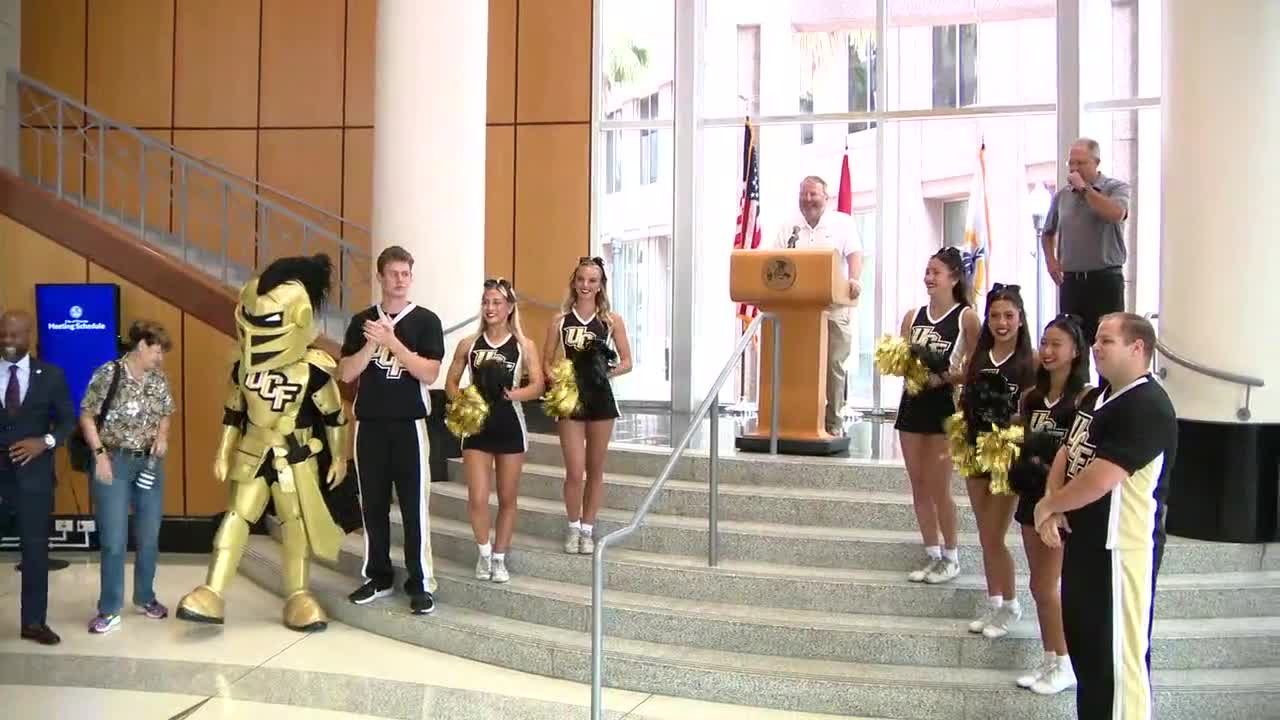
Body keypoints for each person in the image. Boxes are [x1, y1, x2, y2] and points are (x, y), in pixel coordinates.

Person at [1034, 313, 1176, 720]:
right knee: (1090, 657)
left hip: (1122, 549)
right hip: (1085, 544)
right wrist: (1051, 502)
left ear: (1138, 348)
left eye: (1107, 340)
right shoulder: (1097, 397)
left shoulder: (1147, 405)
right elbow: (1068, 450)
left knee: (1120, 663)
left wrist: (1051, 505)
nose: (1096, 347)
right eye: (1095, 340)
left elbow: (1103, 477)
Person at [340, 246, 445, 615]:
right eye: (393, 273)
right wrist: (373, 342)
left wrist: (393, 342)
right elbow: (346, 373)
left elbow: (429, 373)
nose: (400, 280)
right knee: (373, 507)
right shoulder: (362, 321)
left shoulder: (426, 321)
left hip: (409, 426)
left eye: (405, 274)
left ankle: (421, 582)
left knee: (415, 507)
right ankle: (379, 576)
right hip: (369, 426)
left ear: (411, 278)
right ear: (381, 277)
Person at [1009, 314, 1090, 695]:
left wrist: (1058, 501)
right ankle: (1050, 660)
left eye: (1057, 344)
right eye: (1044, 342)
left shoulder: (1084, 399)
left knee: (1047, 584)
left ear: (1075, 350)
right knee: (1038, 585)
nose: (1048, 350)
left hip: (1061, 504)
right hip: (1030, 498)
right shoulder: (1032, 397)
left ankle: (1065, 662)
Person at [78, 320, 175, 634]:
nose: (160, 358)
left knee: (149, 537)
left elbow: (165, 413)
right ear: (142, 346)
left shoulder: (158, 379)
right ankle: (109, 609)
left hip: (149, 464)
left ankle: (145, 597)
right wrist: (99, 454)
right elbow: (87, 415)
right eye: (157, 351)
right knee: (115, 540)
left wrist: (162, 437)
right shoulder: (109, 374)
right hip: (113, 463)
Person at [444, 278, 544, 583]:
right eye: (486, 302)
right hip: (477, 428)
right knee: (476, 496)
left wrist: (511, 395)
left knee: (507, 497)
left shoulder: (524, 345)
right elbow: (450, 383)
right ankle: (484, 554)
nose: (490, 308)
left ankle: (500, 558)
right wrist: (466, 401)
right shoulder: (468, 344)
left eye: (497, 302)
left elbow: (538, 385)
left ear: (509, 308)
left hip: (510, 426)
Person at [893, 247, 979, 585]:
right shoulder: (913, 315)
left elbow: (975, 366)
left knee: (940, 485)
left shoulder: (966, 317)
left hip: (945, 405)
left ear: (954, 278)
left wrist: (943, 378)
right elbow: (900, 356)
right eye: (927, 271)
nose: (929, 278)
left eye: (936, 272)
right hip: (913, 403)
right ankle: (931, 552)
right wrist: (903, 367)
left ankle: (952, 555)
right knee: (918, 483)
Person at [542, 256, 632, 555]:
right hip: (570, 400)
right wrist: (556, 377)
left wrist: (606, 371)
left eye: (592, 281)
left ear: (600, 285)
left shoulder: (610, 321)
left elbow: (627, 362)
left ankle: (588, 530)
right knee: (574, 470)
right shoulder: (560, 320)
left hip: (600, 399)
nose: (585, 285)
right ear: (574, 282)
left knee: (595, 469)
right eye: (581, 279)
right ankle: (572, 526)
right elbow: (546, 360)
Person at [961, 285, 1036, 639]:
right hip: (975, 447)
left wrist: (1011, 425)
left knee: (994, 534)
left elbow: (1033, 413)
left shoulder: (1031, 363)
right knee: (983, 531)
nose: (1001, 322)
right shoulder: (979, 357)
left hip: (1008, 454)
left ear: (1021, 320)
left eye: (1008, 315)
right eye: (994, 316)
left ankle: (1011, 603)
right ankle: (996, 602)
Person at [0, 310, 75, 645]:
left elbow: (68, 423)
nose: (7, 341)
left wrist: (43, 443)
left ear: (28, 336)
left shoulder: (52, 376)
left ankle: (33, 623)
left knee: (34, 553)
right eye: (3, 335)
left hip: (34, 480)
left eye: (14, 335)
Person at [774, 176, 863, 436]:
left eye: (813, 194)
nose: (808, 200)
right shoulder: (790, 227)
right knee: (798, 365)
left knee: (834, 365)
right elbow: (773, 259)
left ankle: (833, 423)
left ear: (826, 197)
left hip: (834, 306)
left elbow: (855, 255)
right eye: (804, 194)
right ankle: (797, 421)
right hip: (798, 312)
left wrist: (854, 280)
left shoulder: (842, 223)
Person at [1041, 138, 1131, 348]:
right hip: (1072, 282)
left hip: (1105, 279)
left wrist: (1086, 190)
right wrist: (1051, 261)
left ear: (1096, 162)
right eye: (1071, 163)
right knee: (1072, 343)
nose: (1074, 168)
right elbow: (1047, 233)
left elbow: (1116, 214)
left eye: (1080, 163)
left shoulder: (1116, 188)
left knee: (1108, 342)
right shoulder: (1063, 196)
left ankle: (1107, 382)